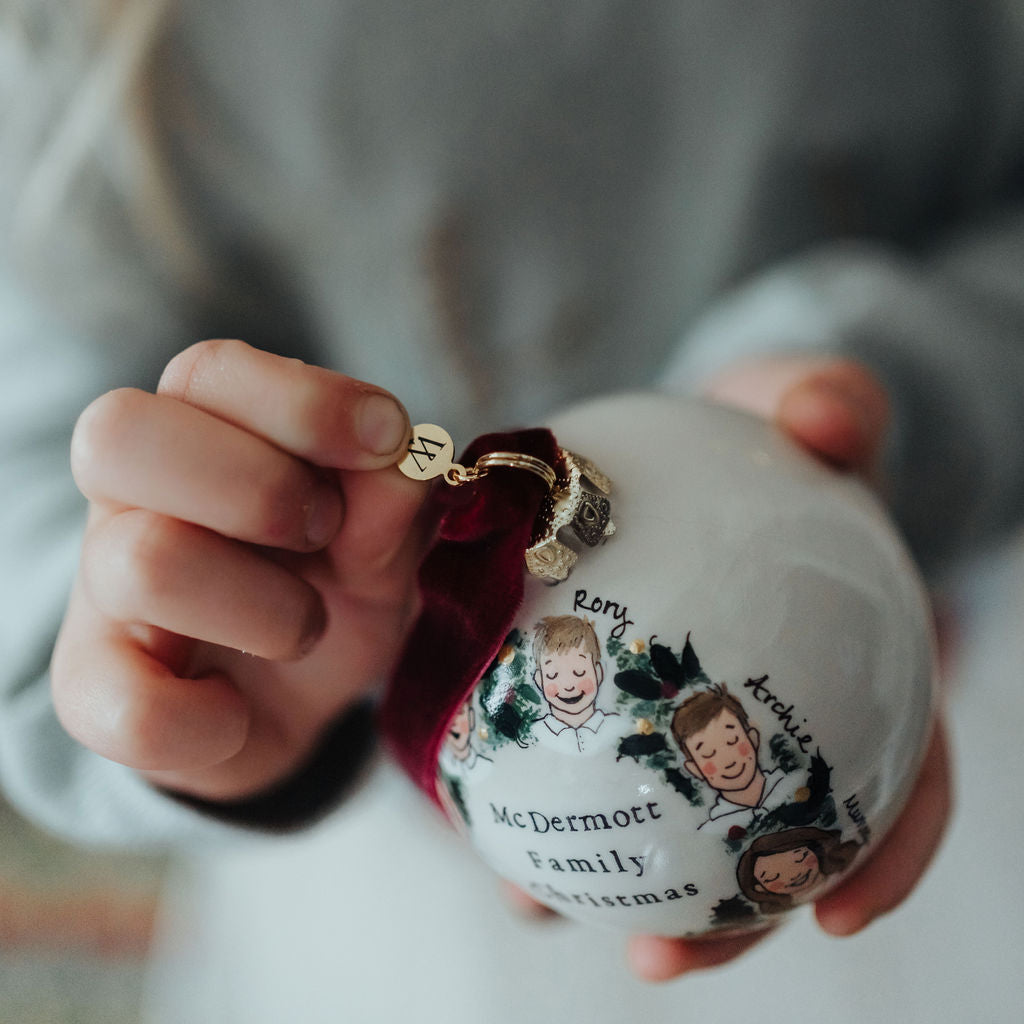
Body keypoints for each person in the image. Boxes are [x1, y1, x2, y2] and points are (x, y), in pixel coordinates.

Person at [3, 0, 1023, 1012]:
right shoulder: (73, 46)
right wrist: (187, 652)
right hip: (389, 878)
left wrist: (907, 386)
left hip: (937, 682)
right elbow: (39, 475)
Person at [530, 614, 617, 753]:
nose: (568, 686)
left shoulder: (616, 727)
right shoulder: (534, 733)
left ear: (599, 673)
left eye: (579, 672)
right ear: (539, 681)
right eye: (553, 675)